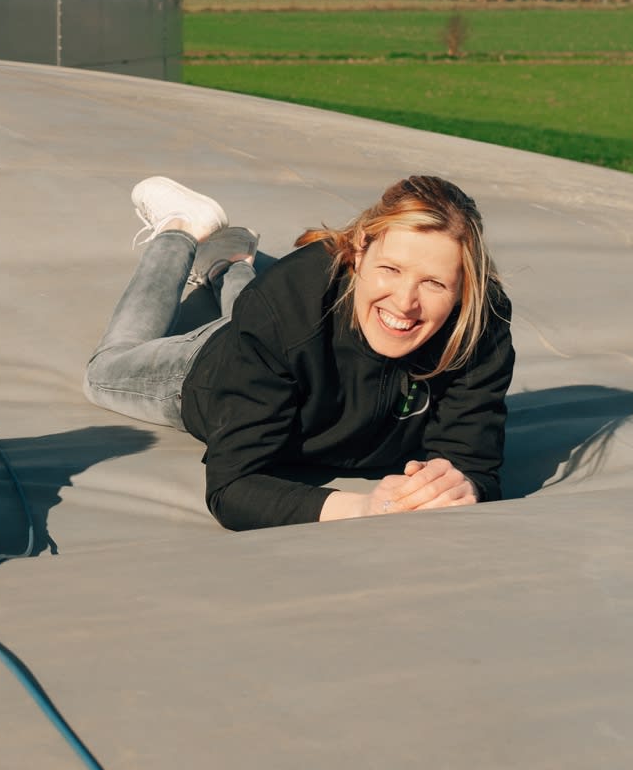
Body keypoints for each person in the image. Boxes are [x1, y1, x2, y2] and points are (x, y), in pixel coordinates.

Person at [84, 175, 514, 529]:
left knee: (266, 319)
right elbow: (233, 487)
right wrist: (365, 508)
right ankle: (181, 230)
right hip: (211, 368)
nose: (405, 303)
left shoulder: (481, 321)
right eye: (391, 269)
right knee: (104, 370)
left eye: (434, 283)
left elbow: (471, 463)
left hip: (275, 337)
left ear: (464, 287)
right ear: (359, 251)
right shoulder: (285, 306)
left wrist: (458, 486)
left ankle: (230, 260)